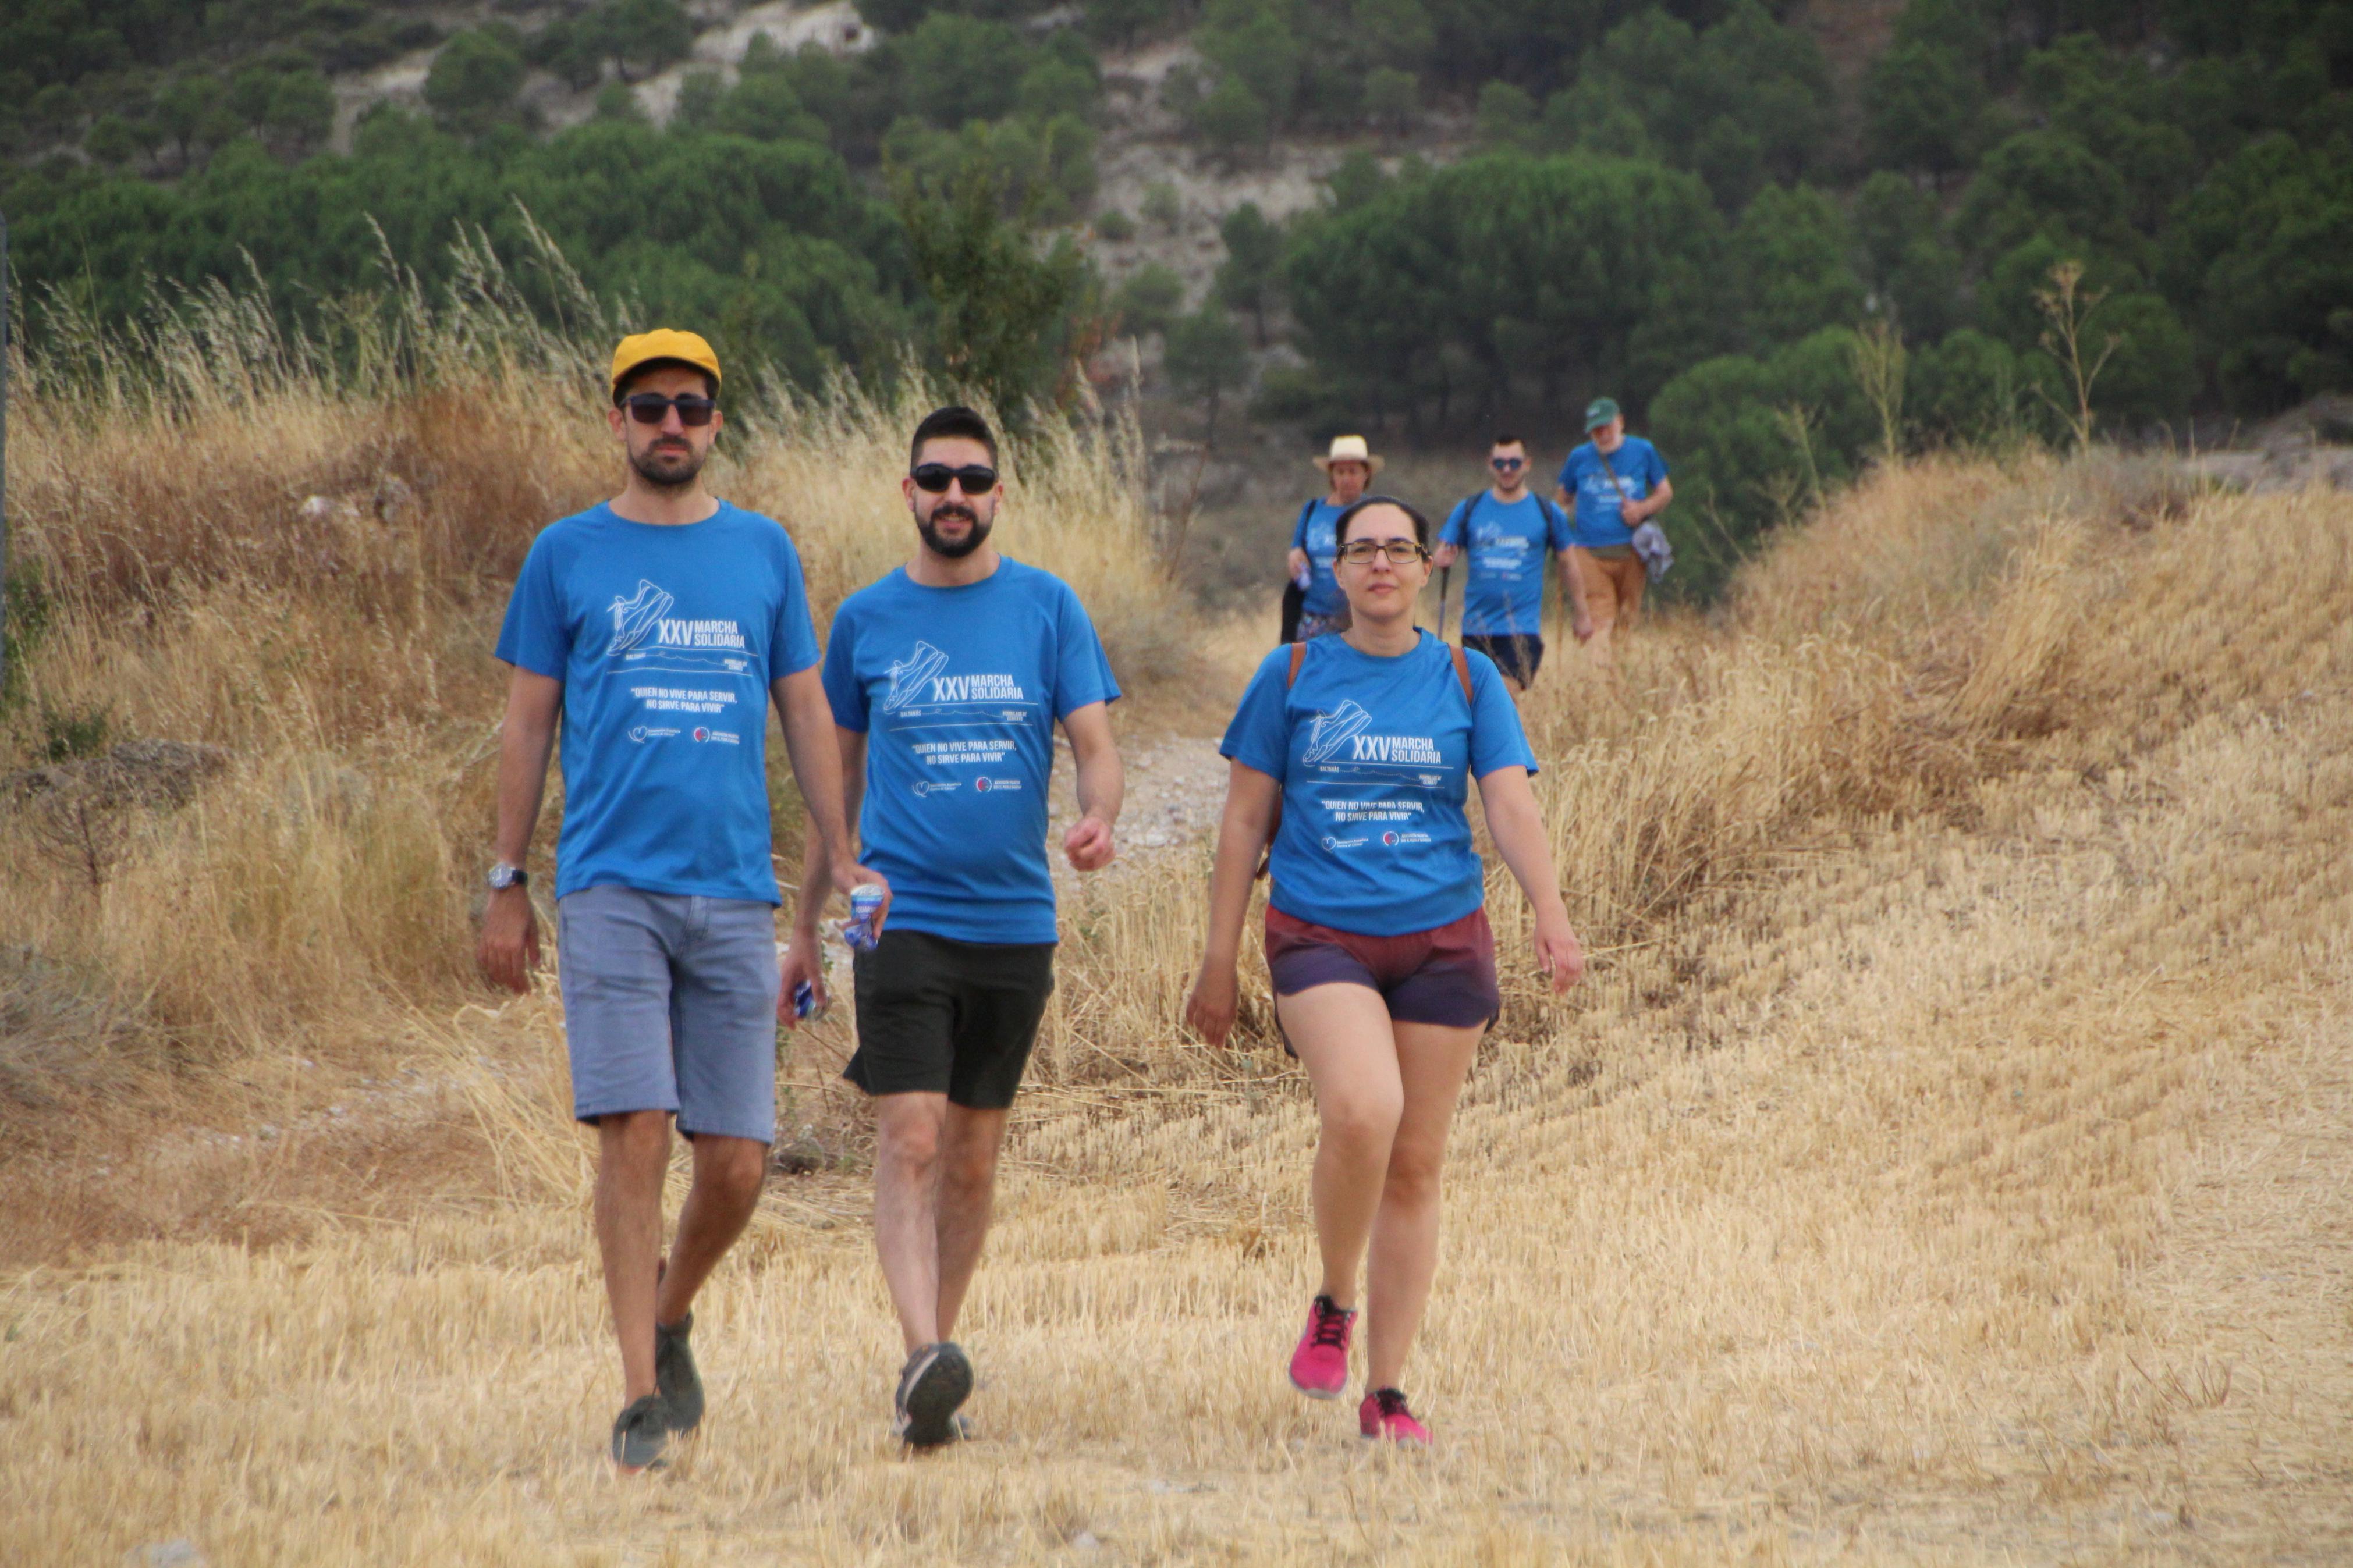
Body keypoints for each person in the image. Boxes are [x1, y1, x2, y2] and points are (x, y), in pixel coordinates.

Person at [478, 329, 882, 1474]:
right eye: (649, 406)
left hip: (733, 891)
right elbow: (526, 724)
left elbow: (805, 711)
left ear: (714, 424)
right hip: (609, 886)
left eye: (690, 408)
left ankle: (669, 1310)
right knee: (637, 1128)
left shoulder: (762, 551)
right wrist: (506, 881)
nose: (670, 424)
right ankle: (639, 1397)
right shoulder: (565, 554)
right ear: (615, 421)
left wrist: (843, 853)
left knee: (739, 1160)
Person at [1183, 495, 1585, 1446]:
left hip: (1442, 941)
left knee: (1413, 1163)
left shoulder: (1468, 678)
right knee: (1364, 1109)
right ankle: (1334, 1299)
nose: (1378, 564)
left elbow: (1509, 806)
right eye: (1360, 549)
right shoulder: (1289, 674)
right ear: (1335, 569)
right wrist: (1216, 959)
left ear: (1426, 564)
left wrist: (1550, 911)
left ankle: (1387, 1392)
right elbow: (1243, 820)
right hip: (1320, 935)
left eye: (1396, 549)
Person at [783, 406, 1125, 1449]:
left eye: (972, 480)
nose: (953, 497)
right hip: (901, 920)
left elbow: (1096, 747)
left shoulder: (1047, 607)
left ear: (997, 495)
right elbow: (834, 785)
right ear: (908, 491)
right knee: (912, 1135)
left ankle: (935, 1376)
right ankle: (923, 1353)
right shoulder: (865, 621)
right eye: (935, 478)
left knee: (973, 1156)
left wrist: (1098, 816)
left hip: (1016, 922)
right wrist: (804, 928)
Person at [1432, 435, 1591, 693]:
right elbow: (1442, 552)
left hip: (1522, 630)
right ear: (1490, 464)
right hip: (1476, 628)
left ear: (1527, 464)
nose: (1507, 469)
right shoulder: (1470, 508)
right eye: (1500, 463)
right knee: (1477, 701)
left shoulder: (1547, 512)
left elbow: (1569, 564)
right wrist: (1442, 558)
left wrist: (1582, 615)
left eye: (1514, 463)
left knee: (1503, 694)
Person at [1555, 397, 1673, 662]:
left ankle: (1619, 677)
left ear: (1620, 422)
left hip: (1632, 552)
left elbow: (1665, 492)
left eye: (1607, 427)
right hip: (1589, 551)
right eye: (1597, 430)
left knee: (1627, 621)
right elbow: (1563, 498)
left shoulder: (1643, 450)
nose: (1603, 434)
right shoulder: (1579, 457)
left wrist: (1642, 509)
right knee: (1600, 619)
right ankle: (1600, 675)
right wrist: (1559, 530)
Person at [1285, 435, 1380, 642]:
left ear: (1366, 474)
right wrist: (1295, 556)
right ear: (1332, 475)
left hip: (1360, 619)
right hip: (1314, 617)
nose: (1347, 478)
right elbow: (1297, 548)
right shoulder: (1312, 510)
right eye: (1340, 472)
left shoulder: (1375, 512)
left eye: (1353, 471)